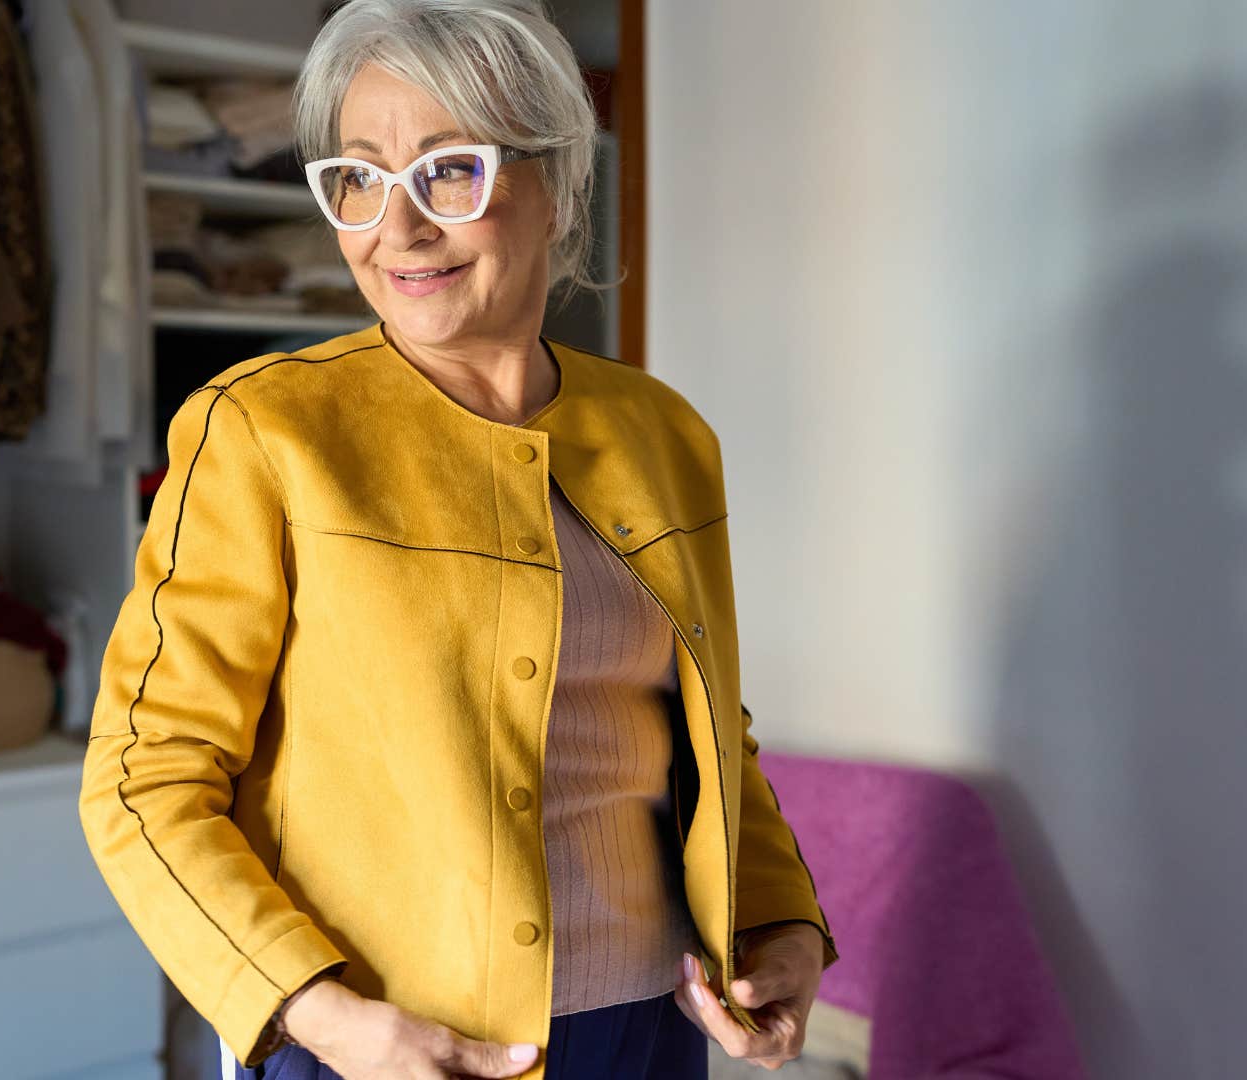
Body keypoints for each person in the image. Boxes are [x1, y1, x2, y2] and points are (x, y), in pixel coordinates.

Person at [77, 2, 838, 1076]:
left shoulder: (666, 436)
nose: (397, 228)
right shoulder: (262, 431)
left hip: (655, 1031)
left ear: (557, 181)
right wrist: (322, 1014)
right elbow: (142, 778)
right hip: (379, 1041)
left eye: (449, 170)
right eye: (357, 176)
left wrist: (784, 920)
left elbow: (713, 735)